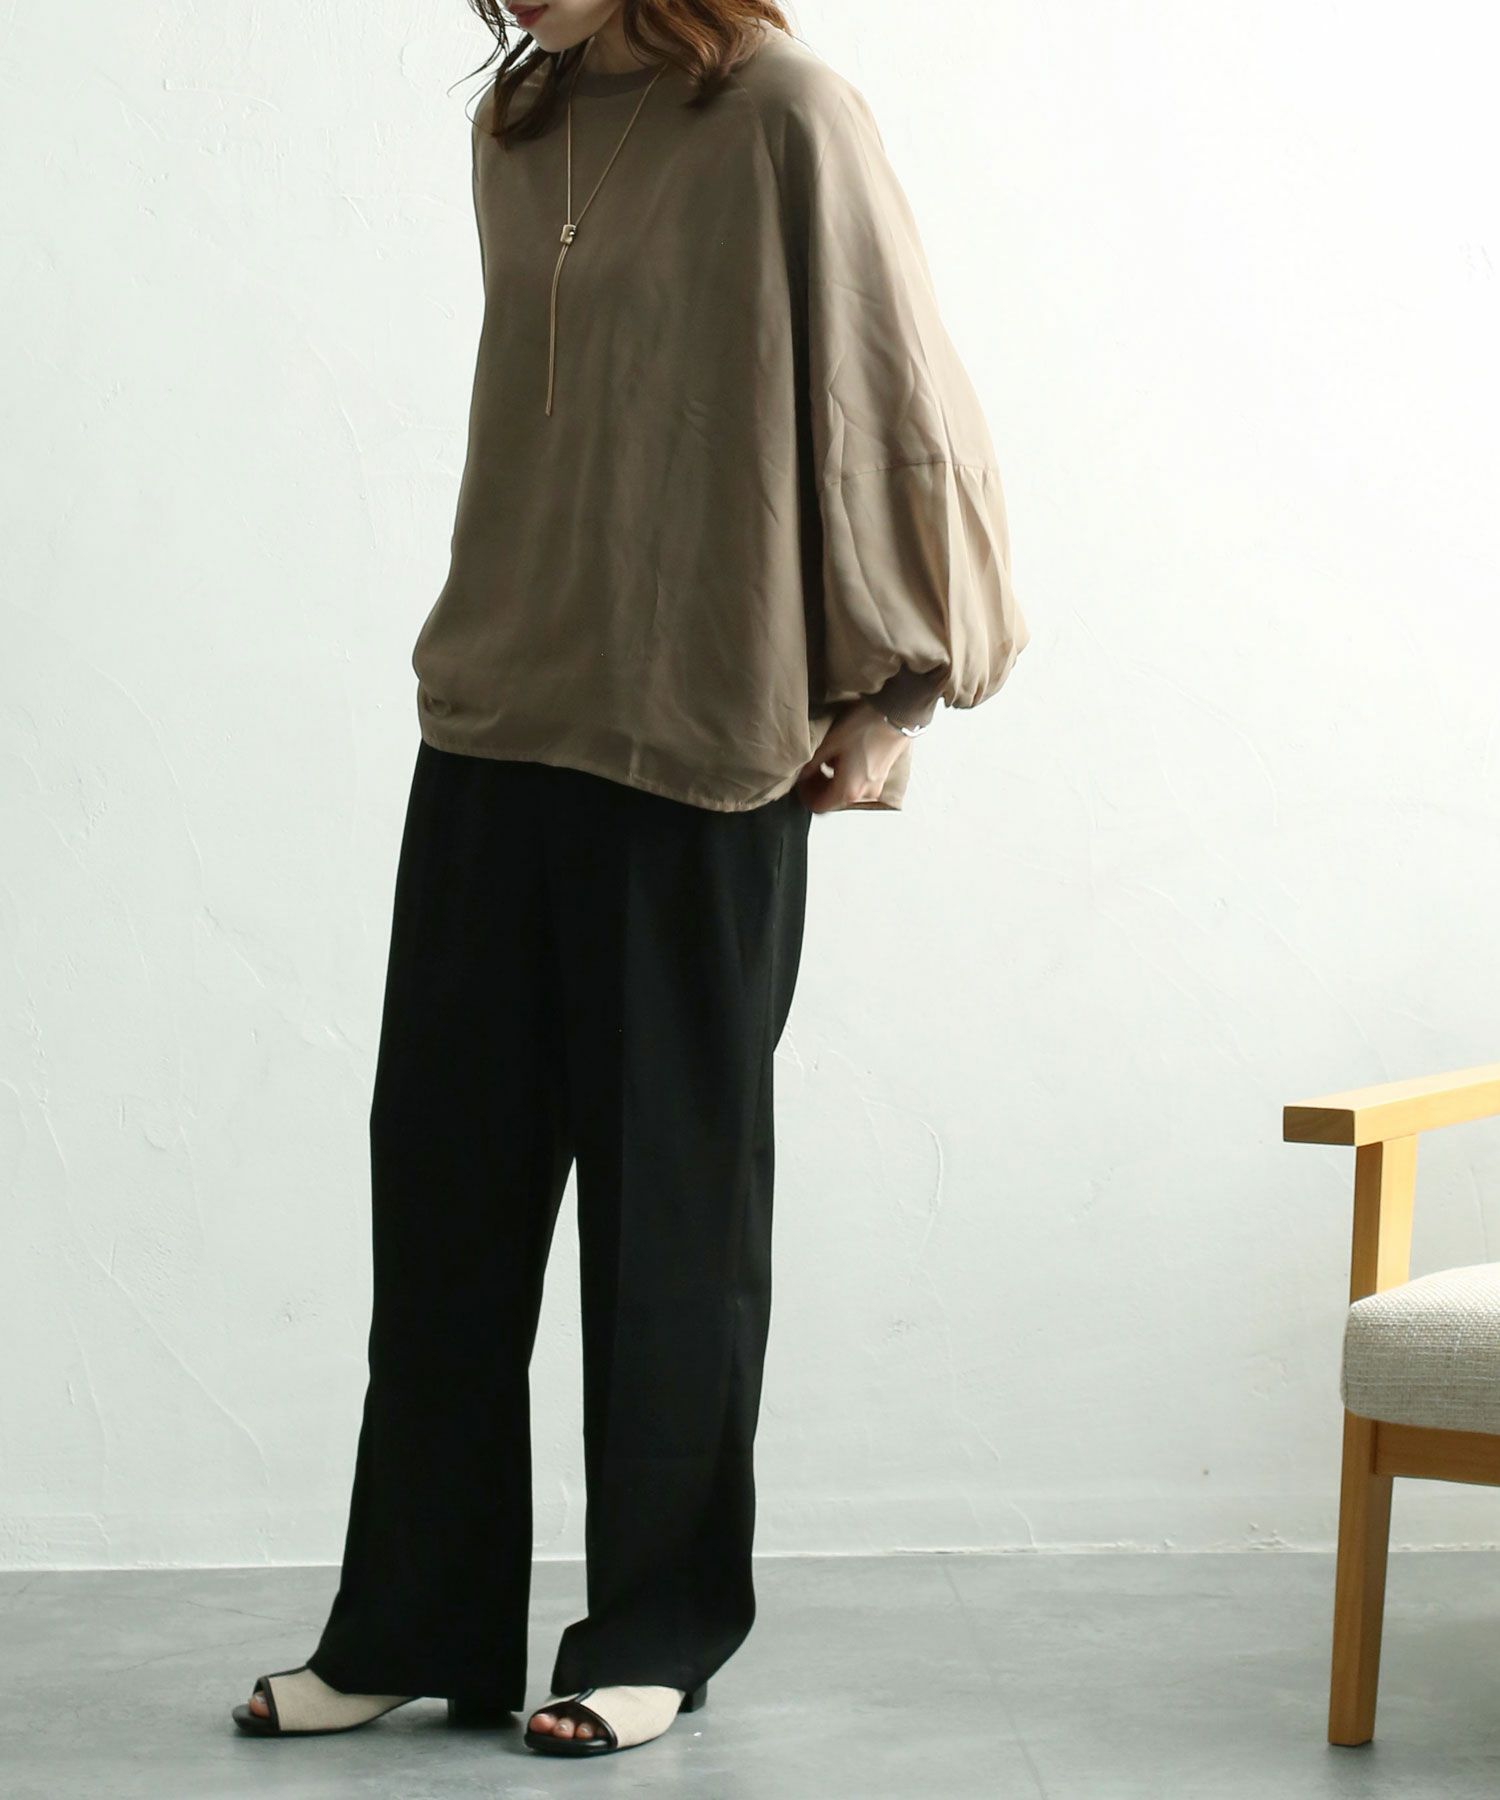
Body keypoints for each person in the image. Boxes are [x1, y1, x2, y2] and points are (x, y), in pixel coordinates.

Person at [231, 0, 1029, 1761]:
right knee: (443, 1206)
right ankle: (413, 1622)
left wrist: (890, 695)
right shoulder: (518, 130)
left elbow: (895, 400)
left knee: (672, 1223)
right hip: (497, 718)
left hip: (698, 747)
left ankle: (656, 1628)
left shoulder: (789, 113)